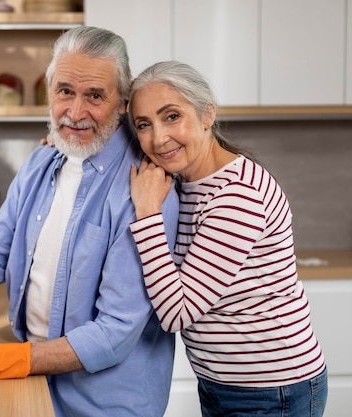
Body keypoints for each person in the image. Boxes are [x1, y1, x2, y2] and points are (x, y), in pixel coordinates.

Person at [0, 27, 179, 417]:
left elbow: (113, 334)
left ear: (123, 103)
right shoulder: (41, 162)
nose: (75, 113)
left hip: (105, 405)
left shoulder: (145, 190)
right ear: (49, 91)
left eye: (95, 95)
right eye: (64, 91)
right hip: (34, 382)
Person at [127, 60, 328, 417]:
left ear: (207, 115)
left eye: (172, 116)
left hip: (272, 389)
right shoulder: (181, 180)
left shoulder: (237, 195)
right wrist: (66, 141)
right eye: (144, 124)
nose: (158, 138)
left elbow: (177, 313)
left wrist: (146, 214)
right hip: (223, 384)